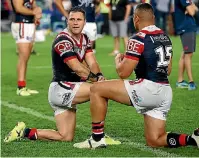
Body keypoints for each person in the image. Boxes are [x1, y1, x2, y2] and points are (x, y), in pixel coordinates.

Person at [73, 3, 199, 153]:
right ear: (154, 18)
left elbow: (123, 73)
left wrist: (118, 62)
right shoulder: (165, 36)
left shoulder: (138, 38)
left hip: (147, 89)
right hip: (165, 92)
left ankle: (96, 139)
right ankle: (193, 139)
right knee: (154, 140)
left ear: (136, 18)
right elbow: (168, 70)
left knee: (97, 89)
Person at [4, 7, 119, 144]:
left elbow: (92, 61)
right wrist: (97, 81)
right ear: (67, 21)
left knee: (65, 136)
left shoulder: (85, 38)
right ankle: (98, 137)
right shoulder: (63, 40)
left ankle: (23, 132)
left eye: (79, 19)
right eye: (72, 19)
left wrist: (99, 75)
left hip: (70, 88)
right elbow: (77, 67)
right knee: (101, 90)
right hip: (61, 89)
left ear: (84, 22)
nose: (75, 23)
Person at [10, 0, 42, 96]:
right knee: (23, 57)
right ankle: (20, 87)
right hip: (22, 24)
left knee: (26, 57)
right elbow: (18, 8)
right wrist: (34, 12)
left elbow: (33, 5)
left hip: (29, 24)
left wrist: (37, 12)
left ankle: (23, 86)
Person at [174, 0, 198, 90]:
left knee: (185, 54)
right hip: (186, 27)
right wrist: (191, 7)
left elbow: (195, 9)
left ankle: (180, 81)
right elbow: (192, 11)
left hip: (187, 26)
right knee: (188, 54)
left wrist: (191, 7)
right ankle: (191, 82)